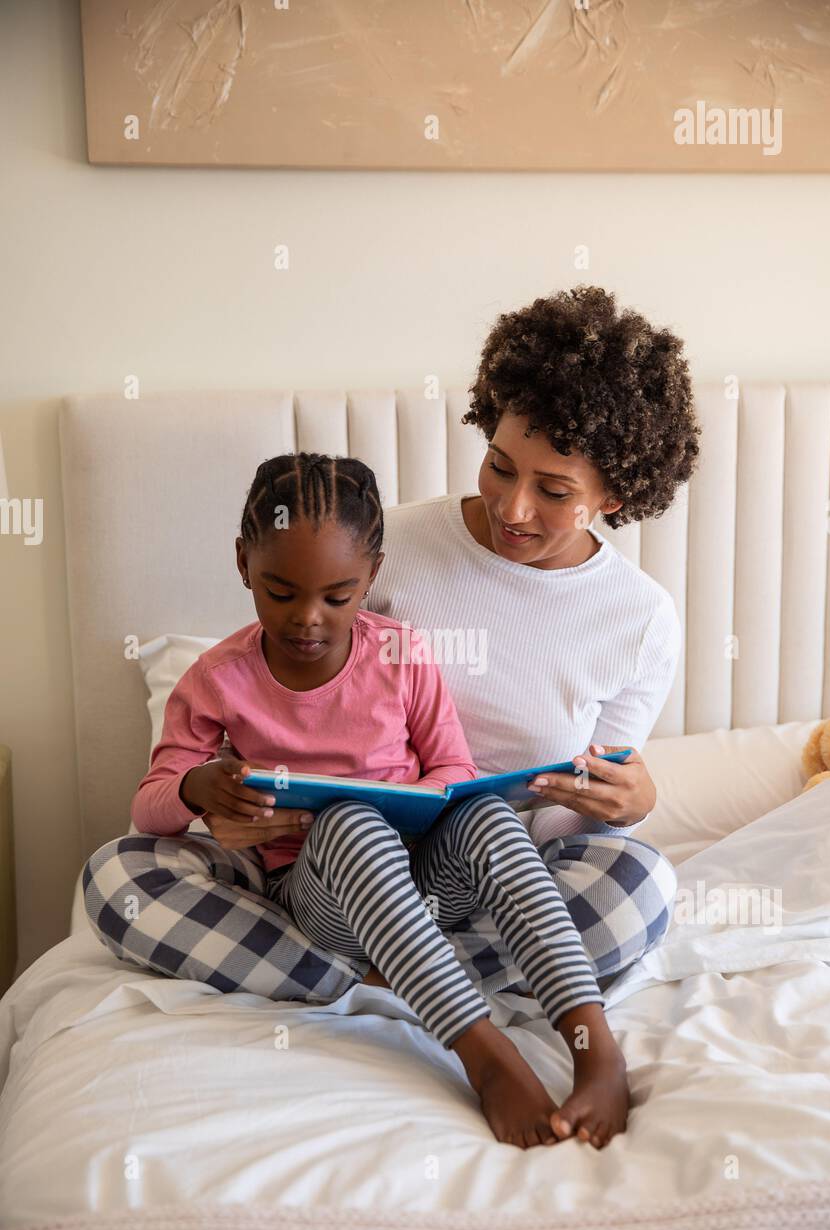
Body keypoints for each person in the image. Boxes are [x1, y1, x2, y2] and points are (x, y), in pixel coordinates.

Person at [83, 283, 700, 1148]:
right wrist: (220, 806)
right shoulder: (377, 544)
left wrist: (627, 799)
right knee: (121, 877)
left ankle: (583, 1042)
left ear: (616, 495)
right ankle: (480, 1044)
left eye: (554, 491)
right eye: (499, 465)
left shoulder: (638, 619)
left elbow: (573, 805)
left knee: (640, 882)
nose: (515, 507)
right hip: (321, 874)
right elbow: (171, 788)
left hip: (473, 877)